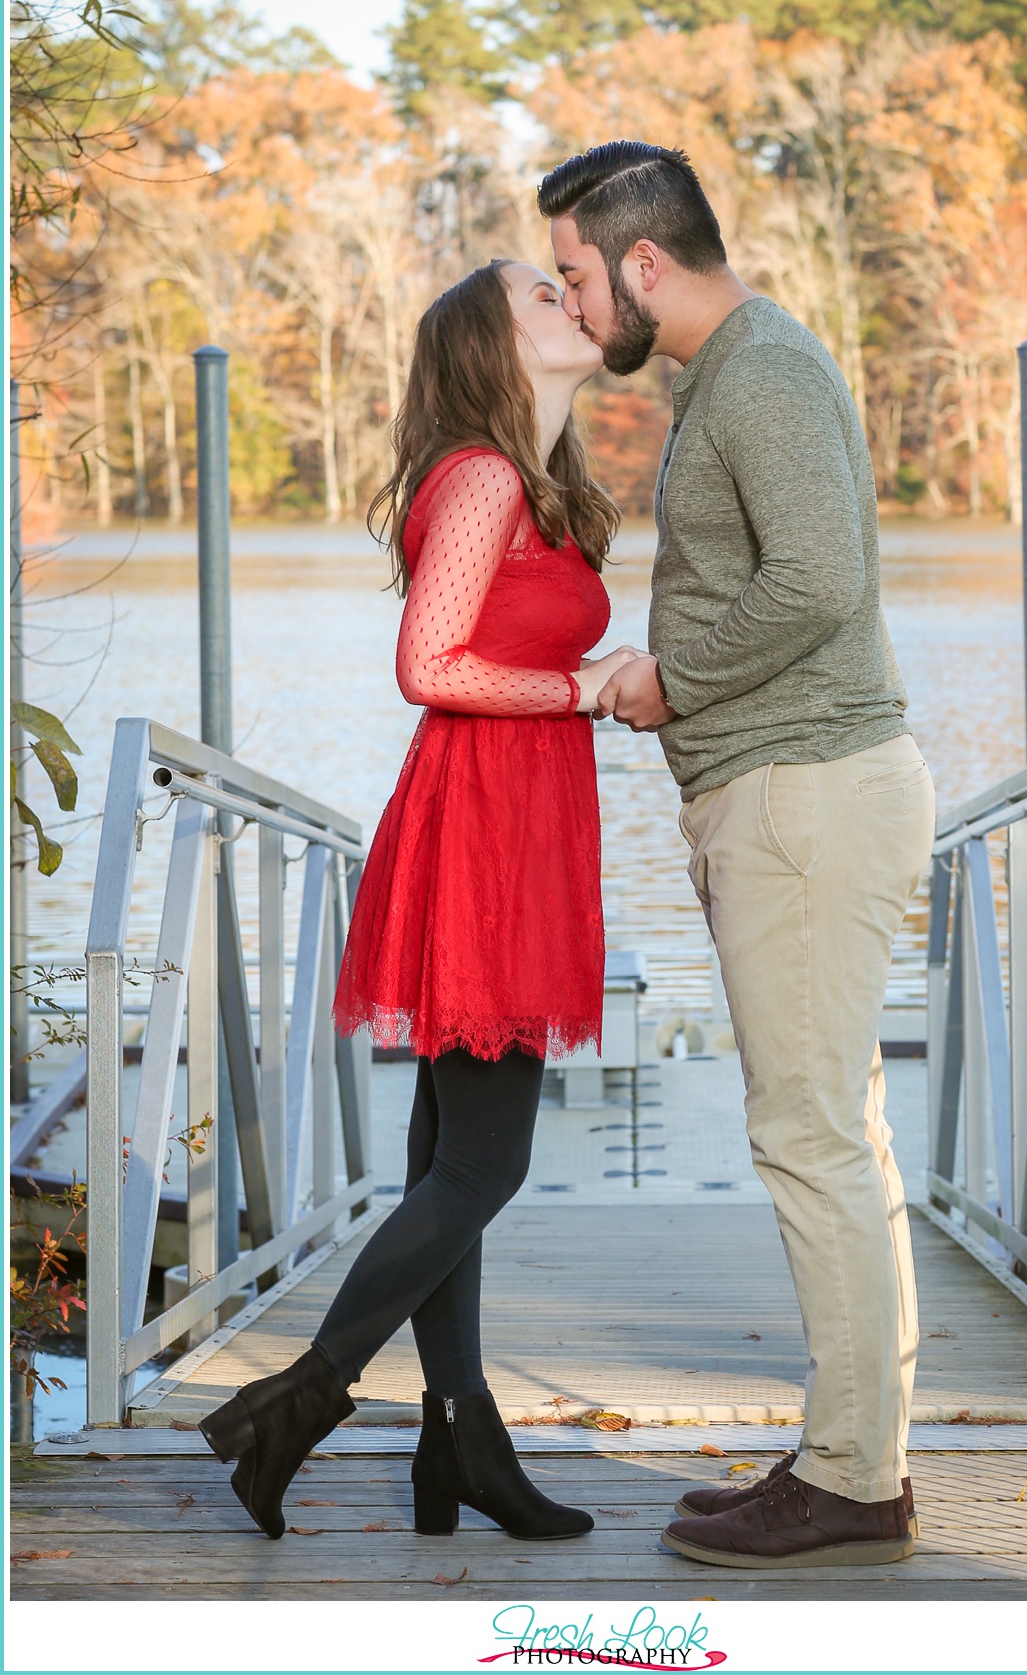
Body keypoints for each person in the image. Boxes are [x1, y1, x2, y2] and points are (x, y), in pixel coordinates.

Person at [199, 259, 642, 1544]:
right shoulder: (486, 479)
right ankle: (298, 1400)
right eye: (543, 297)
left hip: (516, 816)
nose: (572, 302)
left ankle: (460, 1446)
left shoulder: (532, 482)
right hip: (488, 829)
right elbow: (429, 662)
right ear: (491, 347)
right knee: (486, 1162)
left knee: (449, 1161)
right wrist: (583, 690)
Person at [538, 142, 936, 1572]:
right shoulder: (737, 369)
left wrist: (668, 677)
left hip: (806, 795)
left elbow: (818, 583)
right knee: (836, 1128)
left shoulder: (759, 372)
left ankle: (849, 1478)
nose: (578, 306)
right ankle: (857, 1455)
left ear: (646, 263)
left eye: (581, 277)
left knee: (809, 1134)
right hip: (794, 793)